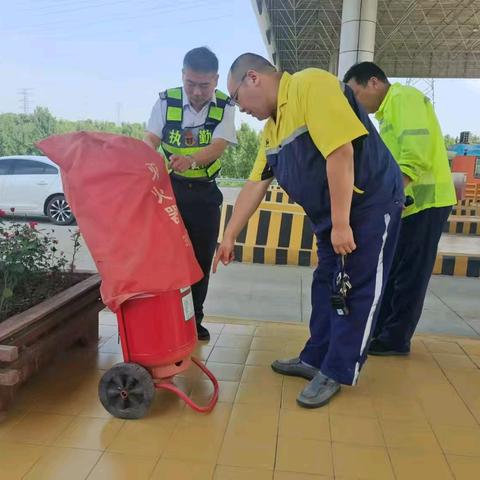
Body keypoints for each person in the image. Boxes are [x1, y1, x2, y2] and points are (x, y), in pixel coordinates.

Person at [213, 53, 404, 408]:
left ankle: (338, 368)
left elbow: (340, 152)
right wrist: (229, 235)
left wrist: (343, 223)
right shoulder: (272, 129)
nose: (241, 109)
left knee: (357, 287)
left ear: (252, 78)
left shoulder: (309, 84)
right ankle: (315, 357)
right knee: (325, 282)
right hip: (332, 214)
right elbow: (255, 184)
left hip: (367, 205)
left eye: (237, 99)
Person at [343, 62, 456, 356]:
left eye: (355, 93)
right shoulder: (387, 112)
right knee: (393, 271)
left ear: (374, 83)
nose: (355, 102)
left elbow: (414, 156)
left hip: (426, 203)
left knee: (410, 274)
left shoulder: (404, 98)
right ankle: (382, 331)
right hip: (408, 204)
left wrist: (388, 196)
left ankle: (395, 339)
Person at [144, 47, 236, 341]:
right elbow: (150, 140)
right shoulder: (165, 101)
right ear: (183, 76)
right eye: (191, 84)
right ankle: (166, 318)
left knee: (199, 260)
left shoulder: (225, 105)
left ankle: (194, 319)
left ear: (216, 80)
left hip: (206, 196)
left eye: (204, 85)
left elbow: (219, 144)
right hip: (170, 195)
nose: (197, 92)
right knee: (168, 259)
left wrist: (193, 159)